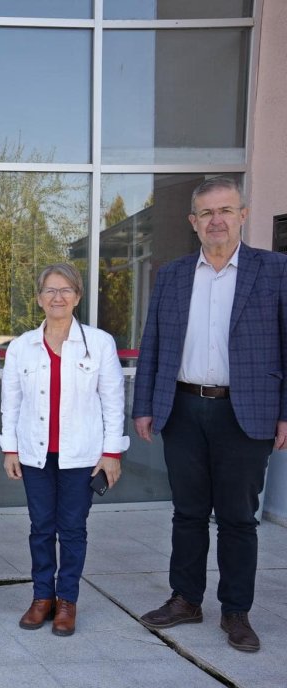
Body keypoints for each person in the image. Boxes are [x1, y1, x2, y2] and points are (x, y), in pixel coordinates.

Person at [133, 176, 287, 653]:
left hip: (246, 411)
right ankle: (186, 599)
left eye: (225, 210)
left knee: (239, 517)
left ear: (243, 215)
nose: (216, 220)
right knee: (188, 512)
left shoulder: (275, 270)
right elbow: (154, 342)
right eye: (206, 213)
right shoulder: (173, 275)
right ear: (193, 222)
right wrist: (144, 405)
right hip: (182, 408)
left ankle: (236, 611)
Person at [0, 264, 128, 636]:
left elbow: (113, 401)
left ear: (78, 296)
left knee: (72, 529)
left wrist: (111, 453)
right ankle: (42, 597)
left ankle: (67, 600)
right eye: (50, 291)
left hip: (82, 456)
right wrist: (10, 449)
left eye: (66, 290)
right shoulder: (22, 346)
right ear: (39, 298)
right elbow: (11, 402)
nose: (58, 297)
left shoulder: (99, 343)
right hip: (35, 454)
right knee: (41, 528)